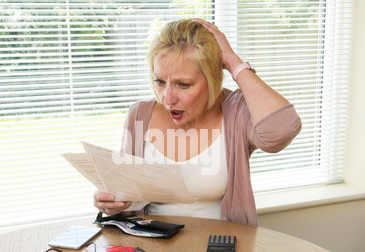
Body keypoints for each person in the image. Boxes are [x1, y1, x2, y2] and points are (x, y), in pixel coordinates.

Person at [93, 18, 301, 226]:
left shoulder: (236, 112)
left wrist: (232, 62)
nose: (167, 98)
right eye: (160, 82)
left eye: (183, 84)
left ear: (212, 78)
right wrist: (109, 202)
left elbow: (280, 131)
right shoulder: (140, 115)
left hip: (221, 250)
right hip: (153, 251)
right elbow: (123, 192)